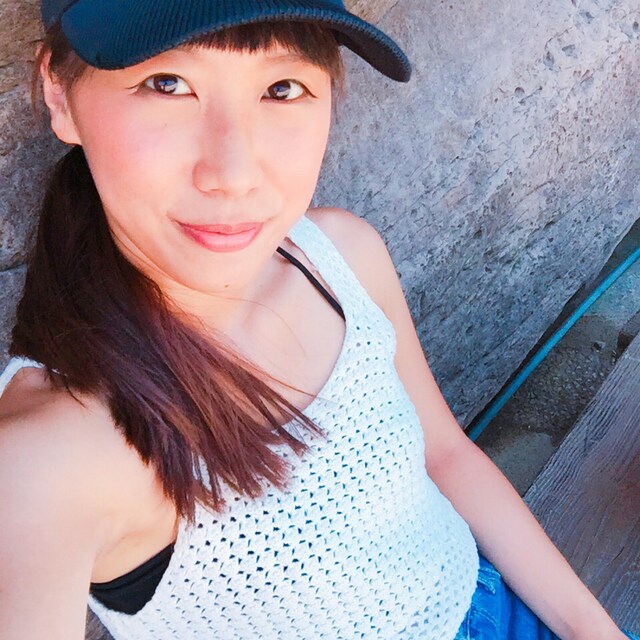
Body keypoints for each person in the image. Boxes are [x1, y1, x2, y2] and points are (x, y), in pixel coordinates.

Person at [0, 1, 636, 639]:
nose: (234, 173)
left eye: (282, 88)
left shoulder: (340, 256)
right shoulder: (50, 456)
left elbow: (445, 456)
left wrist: (592, 629)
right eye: (167, 84)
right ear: (59, 93)